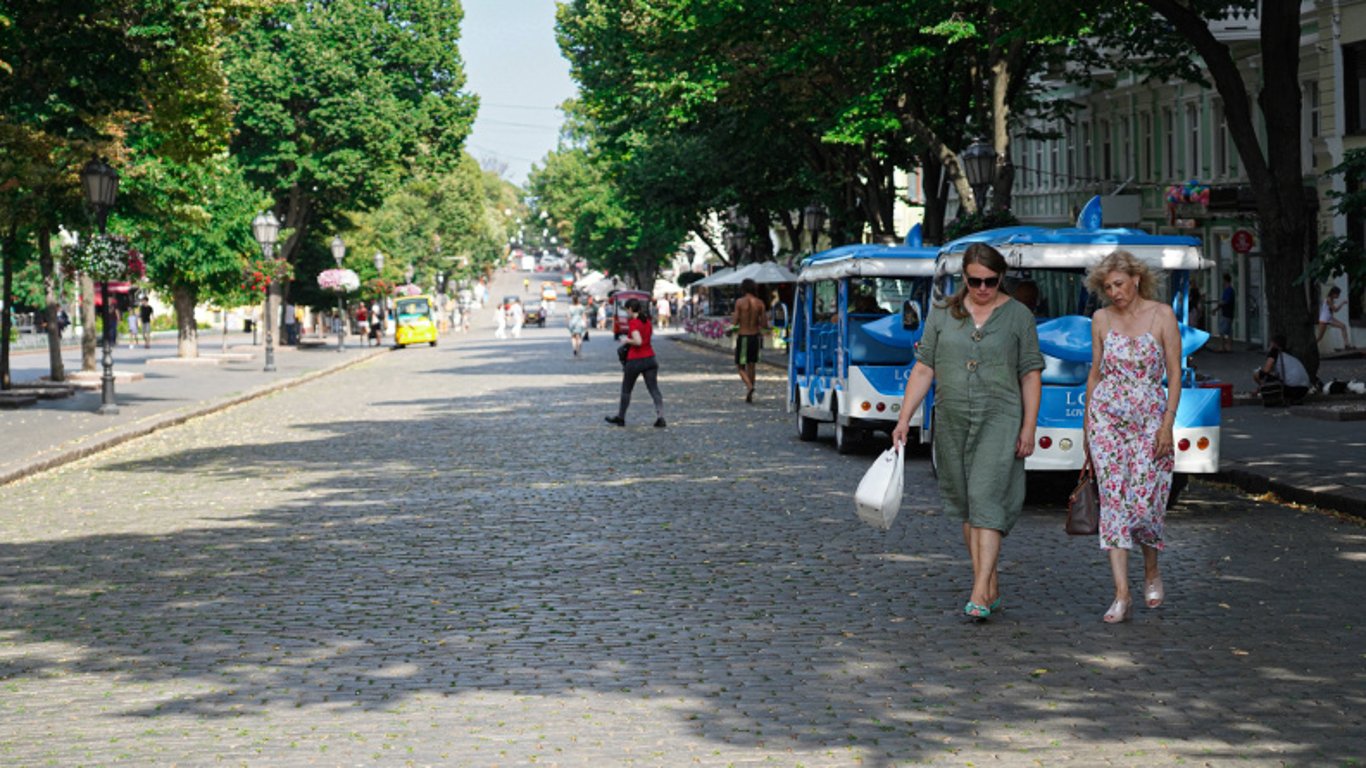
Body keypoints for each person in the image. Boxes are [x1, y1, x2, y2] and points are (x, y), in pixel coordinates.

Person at [891, 243, 1043, 621]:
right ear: (964, 278)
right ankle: (986, 580)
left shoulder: (1018, 316)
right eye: (975, 281)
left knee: (986, 498)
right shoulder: (942, 314)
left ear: (1001, 277)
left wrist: (1029, 425)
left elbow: (1030, 373)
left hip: (1001, 417)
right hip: (953, 419)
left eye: (990, 281)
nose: (982, 289)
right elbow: (924, 367)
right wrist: (903, 418)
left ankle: (978, 590)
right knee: (965, 504)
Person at [1083, 250, 1183, 624]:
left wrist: (1167, 424)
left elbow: (1174, 373)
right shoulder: (1101, 319)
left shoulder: (1162, 315)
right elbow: (1095, 372)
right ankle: (1122, 594)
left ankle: (1151, 569)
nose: (1114, 293)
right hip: (1107, 421)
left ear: (1136, 279)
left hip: (1150, 421)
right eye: (1107, 287)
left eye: (1119, 284)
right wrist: (1086, 427)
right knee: (1113, 503)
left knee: (1144, 502)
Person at [606, 298, 666, 428]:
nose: (626, 312)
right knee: (654, 389)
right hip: (650, 358)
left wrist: (626, 340)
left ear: (630, 309)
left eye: (626, 310)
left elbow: (638, 341)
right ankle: (660, 416)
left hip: (635, 360)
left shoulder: (633, 323)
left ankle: (621, 418)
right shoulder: (647, 322)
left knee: (626, 390)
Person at [732, 278, 771, 402]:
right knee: (752, 365)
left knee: (740, 366)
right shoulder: (760, 303)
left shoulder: (739, 302)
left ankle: (749, 386)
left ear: (743, 288)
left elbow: (735, 322)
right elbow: (764, 324)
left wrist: (731, 329)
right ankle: (751, 392)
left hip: (743, 336)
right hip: (755, 337)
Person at [1253, 334, 1312, 404]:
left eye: (1270, 344)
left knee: (1256, 373)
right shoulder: (1289, 355)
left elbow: (1266, 371)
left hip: (1291, 388)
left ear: (1274, 344)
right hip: (1304, 389)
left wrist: (1259, 379)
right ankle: (1293, 399)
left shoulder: (1274, 352)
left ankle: (1265, 391)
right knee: (1274, 377)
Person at [1315, 286, 1355, 350]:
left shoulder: (1331, 299)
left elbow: (1332, 311)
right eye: (1338, 294)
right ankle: (1311, 346)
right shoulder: (1328, 299)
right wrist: (1342, 303)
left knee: (1343, 326)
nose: (1338, 296)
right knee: (1320, 337)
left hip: (1329, 318)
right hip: (1324, 320)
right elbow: (1335, 310)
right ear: (1333, 293)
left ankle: (1347, 345)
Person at [1217, 272, 1235, 352]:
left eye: (1223, 280)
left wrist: (1220, 303)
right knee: (1229, 330)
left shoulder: (1228, 290)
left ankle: (1222, 347)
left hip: (1226, 314)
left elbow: (1225, 302)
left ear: (1226, 281)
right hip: (1229, 313)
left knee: (1222, 331)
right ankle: (1229, 346)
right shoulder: (1230, 290)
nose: (1222, 282)